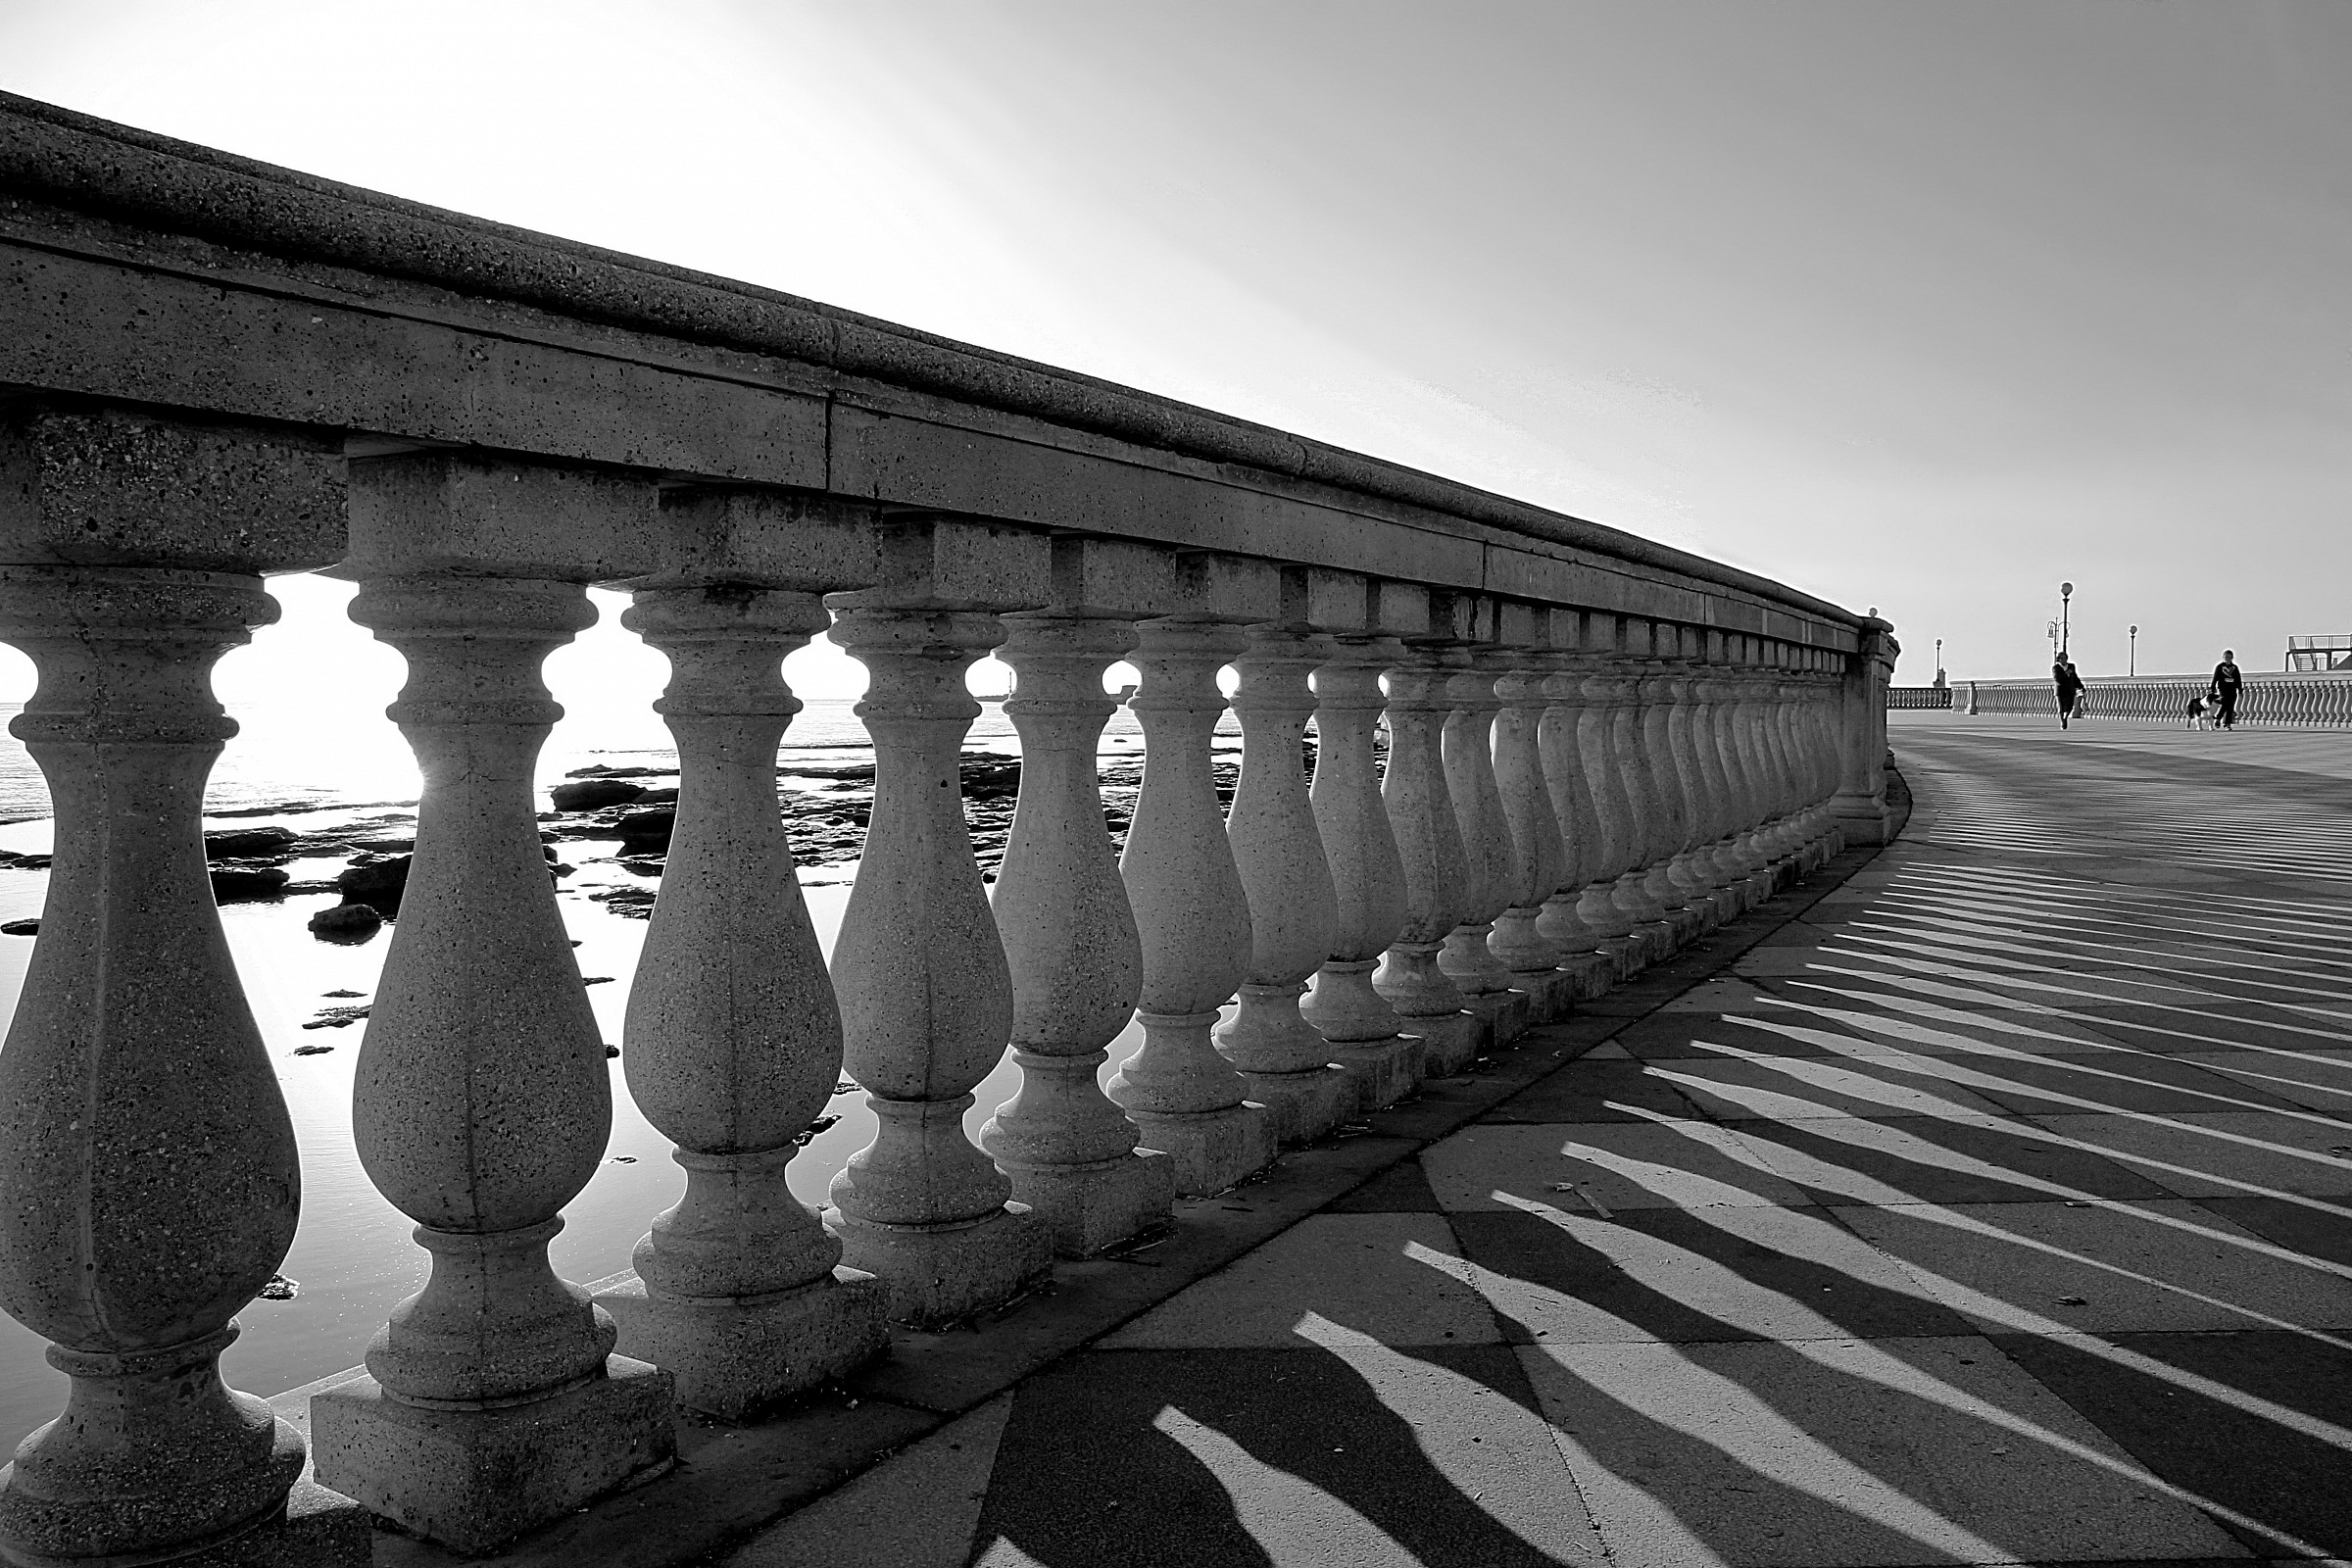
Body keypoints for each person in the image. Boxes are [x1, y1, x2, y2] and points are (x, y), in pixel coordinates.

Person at [2211, 649, 2243, 731]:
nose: (2227, 658)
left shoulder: (2235, 668)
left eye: (2229, 657)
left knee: (2230, 706)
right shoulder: (2220, 667)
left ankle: (2227, 724)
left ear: (2232, 657)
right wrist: (2213, 687)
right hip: (2223, 689)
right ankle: (2218, 718)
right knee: (2225, 703)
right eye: (2226, 657)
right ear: (2223, 657)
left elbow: (2238, 679)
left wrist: (2240, 689)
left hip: (2232, 689)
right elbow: (2215, 677)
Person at [2052, 654, 2084, 729]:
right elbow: (2057, 679)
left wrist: (2081, 686)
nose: (2064, 660)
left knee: (2070, 707)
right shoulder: (2056, 668)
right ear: (2059, 659)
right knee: (2061, 708)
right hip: (2060, 690)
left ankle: (2065, 718)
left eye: (2065, 658)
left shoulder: (2071, 666)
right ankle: (2062, 721)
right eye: (2062, 658)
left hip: (2070, 689)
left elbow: (2075, 677)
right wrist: (2065, 673)